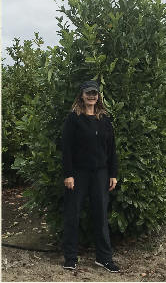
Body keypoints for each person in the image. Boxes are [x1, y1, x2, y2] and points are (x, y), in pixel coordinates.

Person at [61, 80, 120, 273]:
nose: (91, 96)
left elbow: (112, 149)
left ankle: (104, 258)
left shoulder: (105, 120)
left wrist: (113, 174)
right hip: (78, 174)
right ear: (82, 95)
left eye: (94, 93)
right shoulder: (73, 118)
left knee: (101, 216)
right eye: (88, 93)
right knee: (73, 215)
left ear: (98, 96)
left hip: (101, 174)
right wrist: (68, 174)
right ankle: (70, 257)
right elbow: (66, 148)